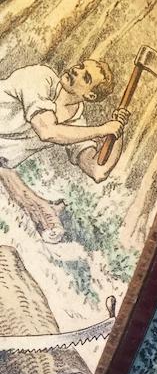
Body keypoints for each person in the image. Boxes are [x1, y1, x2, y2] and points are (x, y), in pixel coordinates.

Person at [0, 60, 129, 243]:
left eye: (85, 77)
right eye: (81, 66)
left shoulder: (75, 122)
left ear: (90, 95)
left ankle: (45, 215)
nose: (76, 70)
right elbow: (47, 131)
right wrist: (102, 129)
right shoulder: (40, 77)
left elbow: (98, 170)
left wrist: (117, 132)